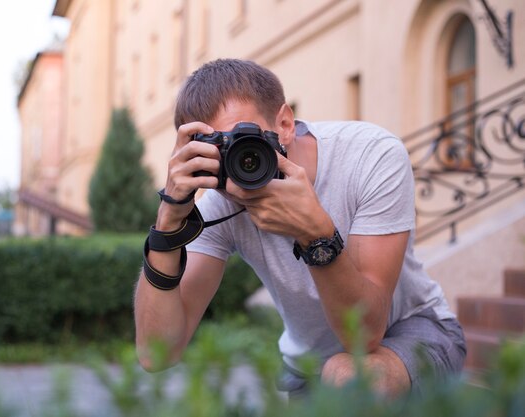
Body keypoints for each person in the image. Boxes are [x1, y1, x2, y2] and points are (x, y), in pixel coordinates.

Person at [134, 58, 466, 398]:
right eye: (218, 150)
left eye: (245, 140)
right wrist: (167, 226)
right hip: (309, 364)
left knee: (348, 375)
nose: (239, 165)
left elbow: (365, 335)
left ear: (285, 123)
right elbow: (155, 354)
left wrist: (315, 234)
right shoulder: (221, 202)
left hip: (414, 330)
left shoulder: (370, 156)